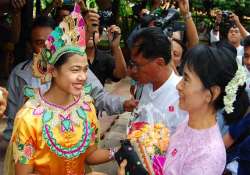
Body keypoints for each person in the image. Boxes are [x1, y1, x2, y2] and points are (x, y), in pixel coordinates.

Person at [4, 5, 118, 174]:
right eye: (75, 70)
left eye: (85, 69)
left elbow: (90, 156)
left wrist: (121, 151)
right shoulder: (29, 118)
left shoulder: (87, 108)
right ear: (53, 71)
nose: (83, 77)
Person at [3, 13, 137, 142]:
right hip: (30, 147)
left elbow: (99, 96)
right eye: (39, 43)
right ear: (30, 45)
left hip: (68, 144)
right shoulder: (19, 75)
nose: (46, 48)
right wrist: (15, 148)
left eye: (50, 41)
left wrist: (123, 104)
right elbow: (12, 117)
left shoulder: (74, 67)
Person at [163, 44, 248, 174]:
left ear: (211, 94)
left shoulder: (208, 155)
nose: (178, 86)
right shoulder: (187, 123)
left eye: (186, 79)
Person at [130, 27, 187, 133]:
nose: (133, 70)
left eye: (138, 65)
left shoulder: (182, 96)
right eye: (132, 63)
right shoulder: (143, 86)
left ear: (160, 63)